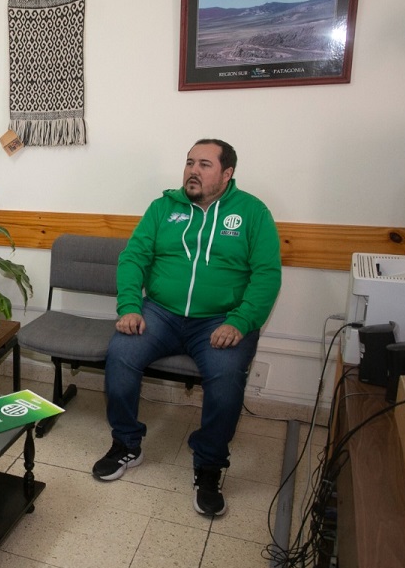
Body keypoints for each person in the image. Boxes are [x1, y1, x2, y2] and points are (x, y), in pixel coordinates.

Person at [93, 139, 281, 517]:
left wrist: (240, 321)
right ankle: (127, 443)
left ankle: (209, 465)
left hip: (220, 321)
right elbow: (133, 258)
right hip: (161, 313)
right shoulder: (163, 208)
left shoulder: (252, 212)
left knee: (227, 378)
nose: (193, 171)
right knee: (121, 355)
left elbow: (267, 274)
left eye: (205, 165)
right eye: (190, 163)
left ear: (227, 174)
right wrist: (130, 306)